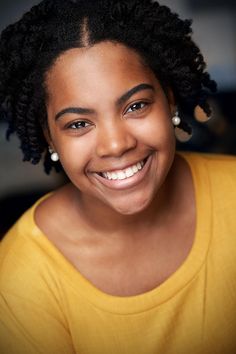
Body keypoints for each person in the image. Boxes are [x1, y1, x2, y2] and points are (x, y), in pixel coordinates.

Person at [0, 0, 235, 353]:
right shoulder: (21, 279)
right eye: (79, 124)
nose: (115, 144)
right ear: (50, 138)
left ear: (169, 100)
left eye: (136, 105)